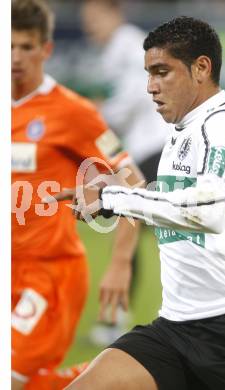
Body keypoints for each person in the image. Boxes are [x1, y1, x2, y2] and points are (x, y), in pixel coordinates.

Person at [60, 16, 225, 390]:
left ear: (201, 68)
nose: (150, 86)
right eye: (148, 74)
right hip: (175, 329)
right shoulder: (181, 133)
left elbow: (206, 212)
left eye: (162, 72)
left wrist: (113, 197)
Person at [11, 1, 143, 389]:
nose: (16, 57)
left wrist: (121, 263)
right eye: (9, 46)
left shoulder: (71, 113)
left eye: (26, 46)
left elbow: (131, 178)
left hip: (49, 275)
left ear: (46, 50)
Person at [80, 0, 171, 344]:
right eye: (86, 20)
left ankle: (115, 319)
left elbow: (136, 95)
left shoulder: (128, 45)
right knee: (144, 230)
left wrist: (99, 113)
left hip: (154, 149)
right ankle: (116, 317)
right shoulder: (117, 49)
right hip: (146, 149)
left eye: (95, 18)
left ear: (114, 13)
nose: (90, 26)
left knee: (132, 229)